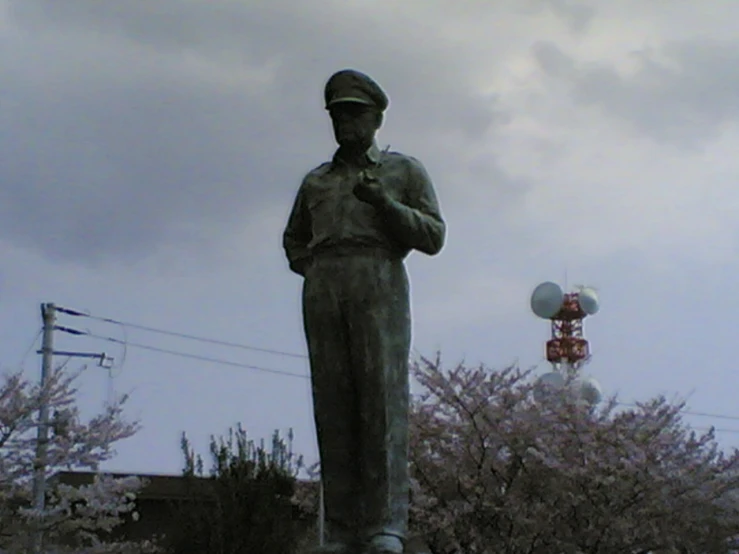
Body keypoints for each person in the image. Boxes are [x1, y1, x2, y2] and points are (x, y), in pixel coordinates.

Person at [283, 69, 446, 554]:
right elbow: (294, 238)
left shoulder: (403, 171)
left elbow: (433, 236)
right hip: (325, 283)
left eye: (355, 113)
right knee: (333, 406)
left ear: (377, 117)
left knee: (380, 402)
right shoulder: (317, 180)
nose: (345, 122)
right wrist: (310, 268)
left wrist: (386, 204)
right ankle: (340, 528)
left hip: (379, 279)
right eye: (338, 114)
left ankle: (384, 525)